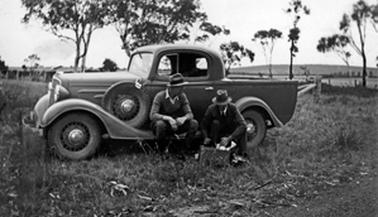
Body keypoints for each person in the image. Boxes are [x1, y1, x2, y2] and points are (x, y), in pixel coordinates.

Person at [150, 73, 199, 155]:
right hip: (163, 124)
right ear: (171, 88)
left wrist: (183, 118)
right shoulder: (160, 96)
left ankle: (183, 149)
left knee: (194, 123)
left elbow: (190, 114)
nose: (182, 89)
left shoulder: (182, 96)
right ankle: (161, 150)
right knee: (160, 125)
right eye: (179, 87)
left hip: (177, 123)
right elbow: (153, 115)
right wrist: (168, 119)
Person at [201, 89, 248, 162]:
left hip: (230, 134)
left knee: (242, 128)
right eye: (219, 104)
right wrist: (206, 137)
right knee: (215, 123)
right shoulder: (211, 109)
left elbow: (243, 124)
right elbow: (203, 125)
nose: (221, 106)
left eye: (223, 104)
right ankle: (214, 149)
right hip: (216, 135)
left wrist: (229, 138)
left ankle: (242, 154)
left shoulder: (233, 108)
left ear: (227, 103)